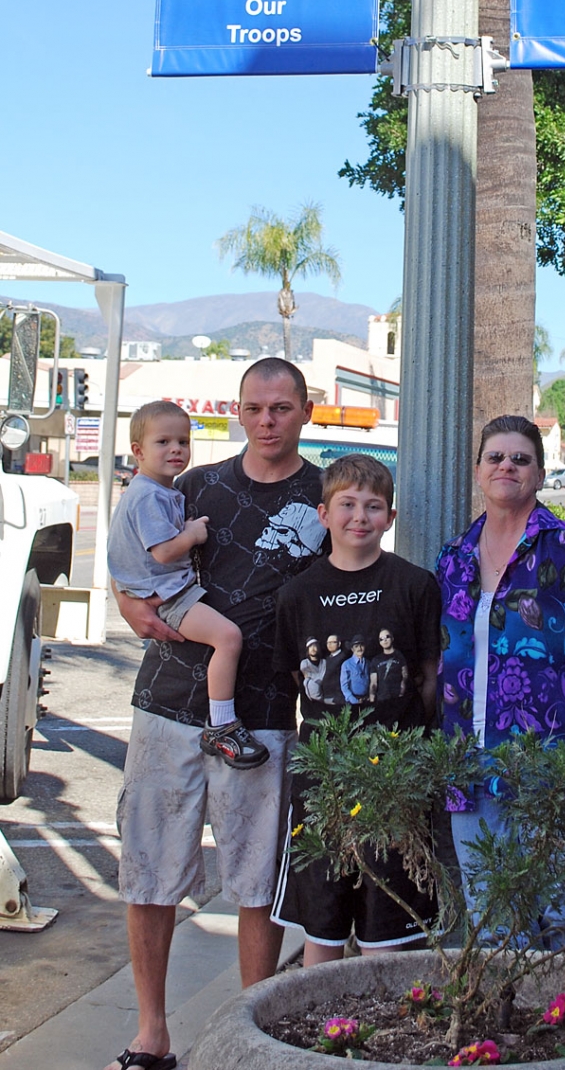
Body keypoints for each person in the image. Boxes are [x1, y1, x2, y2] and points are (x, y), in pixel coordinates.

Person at [106, 358, 324, 1070]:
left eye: (282, 407)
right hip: (167, 705)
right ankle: (151, 1033)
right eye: (256, 407)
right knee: (150, 870)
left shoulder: (326, 495)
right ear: (237, 410)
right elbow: (132, 563)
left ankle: (249, 1041)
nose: (268, 419)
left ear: (305, 412)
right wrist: (130, 605)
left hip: (262, 714)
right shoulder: (191, 484)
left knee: (256, 881)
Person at [437, 413, 565, 922]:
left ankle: (559, 1008)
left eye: (521, 459)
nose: (507, 467)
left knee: (556, 918)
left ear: (540, 474)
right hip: (468, 763)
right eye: (495, 457)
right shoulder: (452, 559)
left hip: (549, 765)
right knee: (488, 918)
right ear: (478, 471)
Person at [271, 453, 440, 964]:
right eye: (346, 505)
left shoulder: (415, 585)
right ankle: (321, 1036)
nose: (359, 517)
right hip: (324, 786)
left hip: (396, 781)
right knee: (321, 925)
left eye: (373, 506)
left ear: (390, 518)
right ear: (323, 515)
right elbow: (298, 679)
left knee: (388, 929)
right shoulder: (297, 595)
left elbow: (428, 678)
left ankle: (387, 1036)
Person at [107, 400, 268, 769]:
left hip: (162, 590)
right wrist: (193, 534)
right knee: (227, 638)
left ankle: (221, 722)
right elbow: (163, 552)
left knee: (224, 637)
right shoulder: (148, 494)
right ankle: (222, 725)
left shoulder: (160, 490)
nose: (176, 449)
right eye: (163, 442)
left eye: (182, 441)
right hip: (167, 596)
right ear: (138, 451)